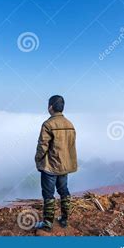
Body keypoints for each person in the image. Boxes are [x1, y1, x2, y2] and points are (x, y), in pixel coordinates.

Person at [34, 95, 77, 232]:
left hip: (50, 166)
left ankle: (47, 224)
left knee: (48, 194)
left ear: (51, 107)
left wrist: (38, 160)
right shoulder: (70, 124)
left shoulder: (48, 124)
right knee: (64, 191)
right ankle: (64, 219)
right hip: (64, 166)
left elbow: (42, 146)